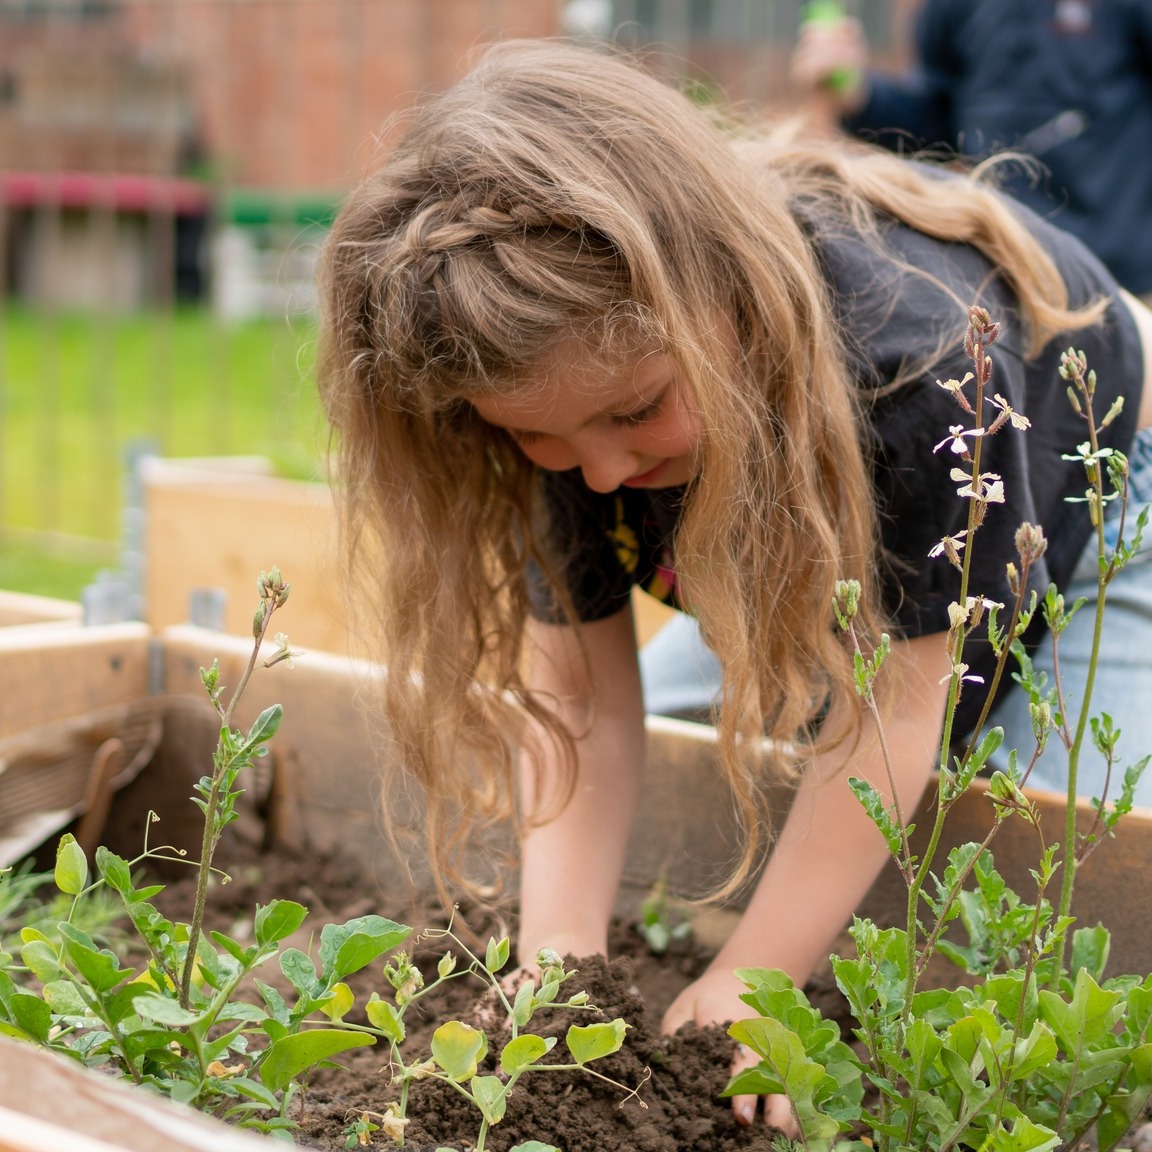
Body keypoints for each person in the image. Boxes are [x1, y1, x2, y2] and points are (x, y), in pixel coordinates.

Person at [316, 39, 1152, 1131]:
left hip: (1086, 504)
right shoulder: (563, 387)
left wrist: (758, 988)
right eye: (538, 436)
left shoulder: (923, 367)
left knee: (1046, 869)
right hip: (778, 535)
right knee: (687, 762)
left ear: (726, 308)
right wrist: (560, 971)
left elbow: (894, 708)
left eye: (633, 412)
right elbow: (577, 701)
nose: (603, 472)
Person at [790, 0, 1152, 300]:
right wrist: (860, 95)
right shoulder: (955, 8)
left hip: (1122, 284)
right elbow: (938, 128)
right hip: (1007, 278)